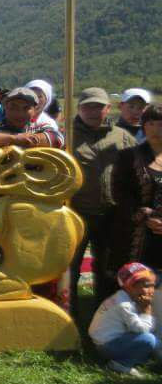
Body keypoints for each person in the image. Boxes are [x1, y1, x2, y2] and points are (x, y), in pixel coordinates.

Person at [69, 88, 137, 316]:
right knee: (71, 266)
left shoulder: (122, 137)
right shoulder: (67, 136)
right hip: (77, 213)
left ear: (108, 108)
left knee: (107, 267)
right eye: (87, 106)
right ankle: (69, 313)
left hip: (111, 214)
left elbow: (135, 171)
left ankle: (105, 314)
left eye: (98, 106)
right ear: (79, 108)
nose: (92, 111)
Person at [111, 103, 162, 275]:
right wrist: (145, 215)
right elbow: (119, 193)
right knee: (136, 280)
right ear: (144, 126)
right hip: (136, 234)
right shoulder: (128, 156)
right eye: (150, 124)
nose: (156, 129)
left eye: (161, 124)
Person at [88, 263, 159, 376]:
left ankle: (145, 359)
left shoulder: (121, 297)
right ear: (129, 287)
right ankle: (121, 364)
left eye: (152, 286)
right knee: (148, 339)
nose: (151, 291)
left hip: (104, 342)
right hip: (107, 347)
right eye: (146, 286)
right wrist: (146, 311)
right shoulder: (125, 305)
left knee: (153, 341)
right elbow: (141, 329)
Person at [0, 86, 64, 148]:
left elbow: (57, 139)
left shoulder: (39, 128)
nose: (19, 113)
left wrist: (0, 139)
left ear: (34, 110)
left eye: (26, 108)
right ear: (5, 107)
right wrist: (14, 139)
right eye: (13, 107)